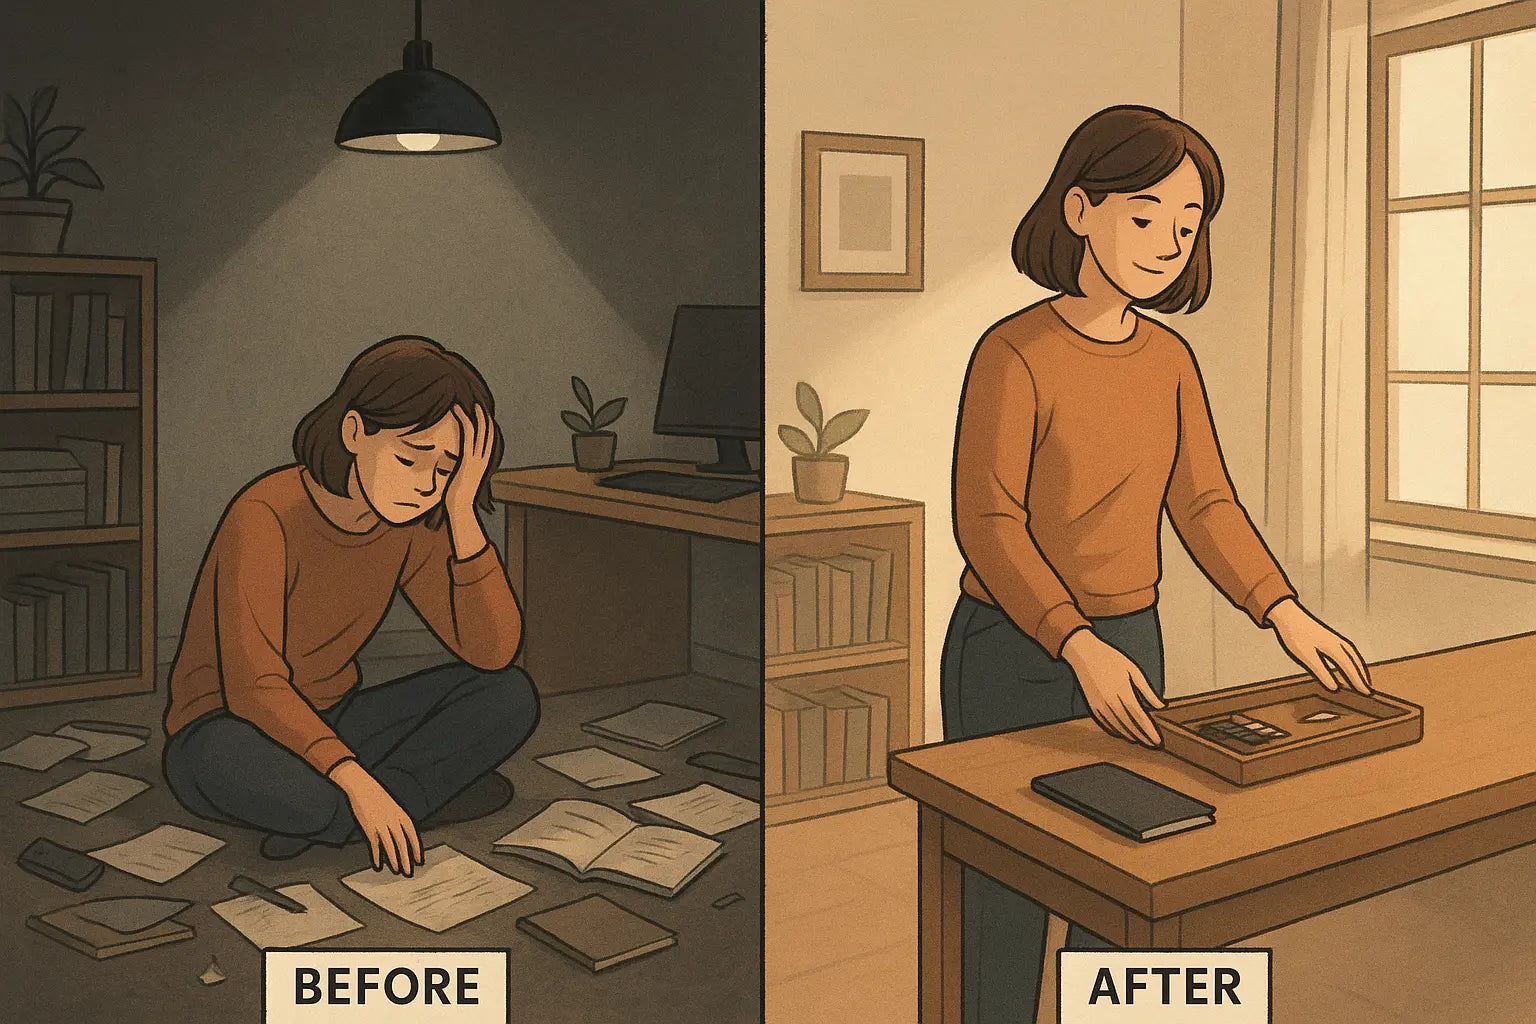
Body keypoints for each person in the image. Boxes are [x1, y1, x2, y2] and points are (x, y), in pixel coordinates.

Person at [944, 105, 1372, 1022]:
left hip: (1133, 641)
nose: (1169, 244)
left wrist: (1285, 612)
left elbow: (1205, 503)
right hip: (1013, 653)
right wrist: (1076, 644)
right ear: (1078, 210)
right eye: (1145, 217)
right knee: (1008, 895)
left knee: (1130, 881)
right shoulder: (1013, 353)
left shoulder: (1169, 359)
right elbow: (988, 523)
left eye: (1187, 225)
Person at [162, 336, 539, 876]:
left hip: (337, 718)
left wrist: (462, 513)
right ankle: (389, 804)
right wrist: (356, 779)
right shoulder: (264, 514)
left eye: (446, 471)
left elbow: (493, 652)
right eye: (410, 459)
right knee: (250, 773)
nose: (426, 487)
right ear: (355, 431)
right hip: (226, 727)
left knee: (511, 695)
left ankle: (355, 815)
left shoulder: (414, 520)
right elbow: (254, 688)